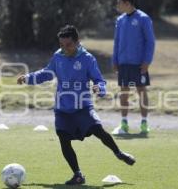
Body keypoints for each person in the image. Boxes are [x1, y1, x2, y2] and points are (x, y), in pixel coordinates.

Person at [17, 25, 135, 185]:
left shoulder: (87, 59)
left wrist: (99, 88)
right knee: (63, 138)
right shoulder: (58, 57)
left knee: (98, 130)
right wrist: (29, 77)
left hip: (83, 107)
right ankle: (78, 175)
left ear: (77, 42)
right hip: (63, 108)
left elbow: (99, 80)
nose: (65, 49)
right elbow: (46, 73)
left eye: (68, 45)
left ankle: (119, 153)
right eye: (62, 45)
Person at [112, 0, 155, 134]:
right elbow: (117, 42)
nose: (117, 5)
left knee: (141, 91)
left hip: (138, 64)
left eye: (119, 3)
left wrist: (147, 61)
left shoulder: (143, 18)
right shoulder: (120, 20)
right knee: (124, 93)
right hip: (123, 63)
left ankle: (144, 123)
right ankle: (124, 124)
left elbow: (150, 41)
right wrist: (115, 60)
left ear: (127, 3)